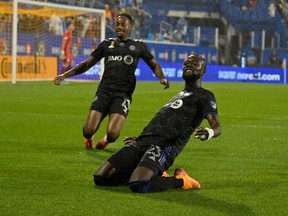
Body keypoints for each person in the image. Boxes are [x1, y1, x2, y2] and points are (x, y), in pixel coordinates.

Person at [93, 53, 221, 193]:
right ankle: (153, 173)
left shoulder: (205, 95)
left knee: (139, 184)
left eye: (194, 64)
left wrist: (210, 132)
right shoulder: (180, 94)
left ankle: (182, 181)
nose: (188, 65)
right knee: (100, 178)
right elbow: (163, 121)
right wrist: (142, 137)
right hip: (143, 141)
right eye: (186, 63)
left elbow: (217, 127)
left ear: (203, 71)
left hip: (164, 145)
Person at [54, 12, 169, 149]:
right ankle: (89, 138)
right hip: (104, 91)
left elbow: (154, 64)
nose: (120, 27)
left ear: (130, 26)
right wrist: (64, 75)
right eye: (117, 24)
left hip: (123, 94)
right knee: (88, 130)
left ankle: (106, 140)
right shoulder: (106, 44)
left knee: (113, 134)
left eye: (123, 24)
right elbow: (86, 64)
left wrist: (161, 77)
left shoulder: (138, 46)